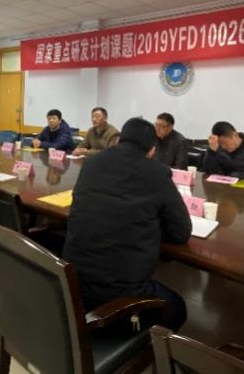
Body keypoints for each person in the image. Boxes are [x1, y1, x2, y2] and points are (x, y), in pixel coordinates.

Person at [63, 117, 192, 331]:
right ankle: (143, 344)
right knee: (177, 307)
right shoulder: (157, 173)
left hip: (73, 279)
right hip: (119, 292)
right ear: (152, 150)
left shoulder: (91, 163)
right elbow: (181, 232)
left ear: (120, 139)